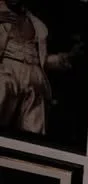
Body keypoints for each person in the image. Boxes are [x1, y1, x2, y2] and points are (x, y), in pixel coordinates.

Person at [0, 1, 78, 140]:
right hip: (6, 77)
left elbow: (42, 60)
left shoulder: (36, 23)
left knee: (32, 138)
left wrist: (63, 59)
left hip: (35, 82)